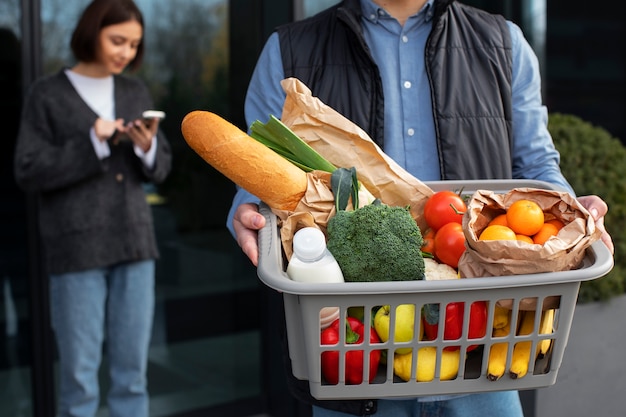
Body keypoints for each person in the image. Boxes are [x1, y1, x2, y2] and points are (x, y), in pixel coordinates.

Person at [227, 0, 614, 416]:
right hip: (355, 363)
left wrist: (570, 212)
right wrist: (250, 209)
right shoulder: (289, 50)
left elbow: (536, 166)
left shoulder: (505, 44)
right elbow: (261, 175)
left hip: (484, 360)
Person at [13, 0, 171, 416]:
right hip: (77, 251)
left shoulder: (135, 91)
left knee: (132, 379)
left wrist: (147, 146)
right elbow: (27, 170)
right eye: (117, 40)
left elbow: (161, 168)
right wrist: (94, 141)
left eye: (134, 45)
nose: (126, 52)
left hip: (135, 246)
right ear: (91, 33)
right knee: (80, 383)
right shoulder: (46, 94)